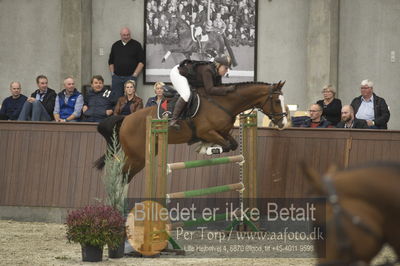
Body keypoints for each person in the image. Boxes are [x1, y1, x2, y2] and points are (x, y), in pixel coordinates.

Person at [169, 55, 235, 128]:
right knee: (186, 94)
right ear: (219, 65)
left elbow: (218, 88)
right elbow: (210, 89)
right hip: (177, 73)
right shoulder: (208, 70)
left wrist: (228, 91)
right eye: (225, 68)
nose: (227, 71)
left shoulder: (217, 72)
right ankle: (173, 120)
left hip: (189, 76)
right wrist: (227, 89)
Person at [108, 27, 145, 102]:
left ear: (130, 34)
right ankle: (116, 113)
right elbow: (111, 62)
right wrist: (113, 75)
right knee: (116, 99)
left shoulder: (136, 45)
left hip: (130, 77)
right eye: (124, 35)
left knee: (130, 99)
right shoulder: (115, 45)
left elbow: (141, 62)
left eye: (128, 35)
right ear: (120, 35)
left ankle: (129, 114)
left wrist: (134, 75)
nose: (126, 37)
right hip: (117, 78)